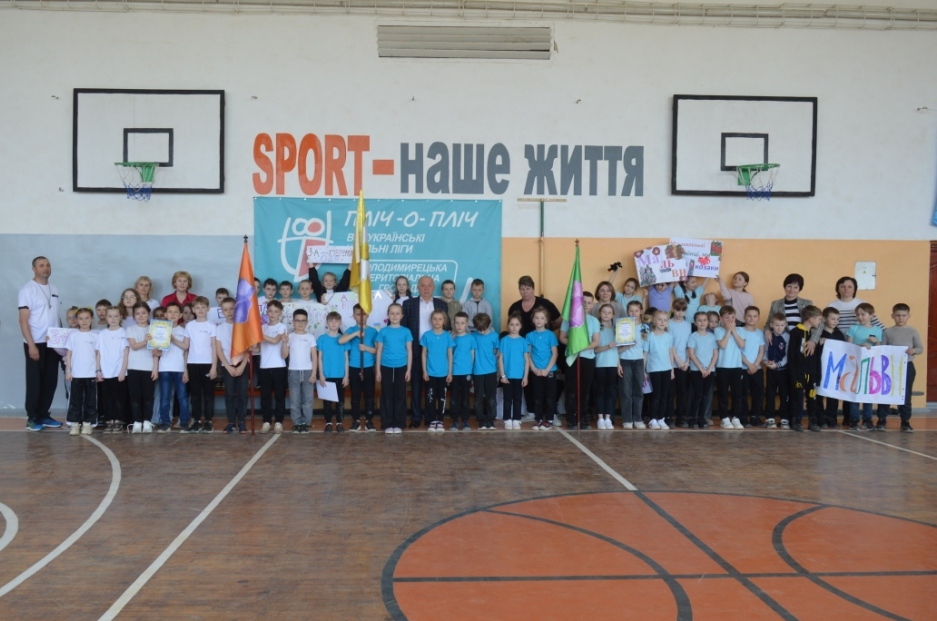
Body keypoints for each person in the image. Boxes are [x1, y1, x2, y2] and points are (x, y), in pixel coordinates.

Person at [18, 256, 64, 431]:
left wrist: (61, 339)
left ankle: (44, 414)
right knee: (35, 381)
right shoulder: (27, 290)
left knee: (50, 381)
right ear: (34, 269)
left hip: (53, 342)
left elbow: (56, 315)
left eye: (48, 265)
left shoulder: (54, 288)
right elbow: (23, 320)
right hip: (35, 342)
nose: (45, 268)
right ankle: (32, 417)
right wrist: (31, 345)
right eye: (41, 265)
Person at [402, 276, 449, 428]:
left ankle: (431, 417)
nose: (426, 288)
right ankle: (416, 417)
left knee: (432, 389)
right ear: (418, 287)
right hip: (416, 351)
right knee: (416, 386)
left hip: (437, 354)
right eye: (423, 285)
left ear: (434, 287)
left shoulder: (441, 304)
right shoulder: (408, 304)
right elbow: (404, 329)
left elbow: (447, 327)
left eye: (429, 285)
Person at [881, 303, 923, 433]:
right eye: (898, 315)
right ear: (892, 316)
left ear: (908, 316)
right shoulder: (887, 331)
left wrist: (913, 350)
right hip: (890, 366)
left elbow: (920, 348)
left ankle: (905, 421)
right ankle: (882, 419)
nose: (900, 318)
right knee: (886, 392)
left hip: (907, 365)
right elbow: (883, 348)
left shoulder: (912, 331)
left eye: (903, 315)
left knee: (905, 394)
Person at [561, 291, 600, 430]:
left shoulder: (594, 321)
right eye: (583, 302)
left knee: (585, 389)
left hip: (587, 358)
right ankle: (571, 418)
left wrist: (582, 347)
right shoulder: (568, 319)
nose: (586, 305)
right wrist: (574, 345)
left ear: (592, 305)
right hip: (572, 358)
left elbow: (596, 341)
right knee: (571, 388)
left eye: (589, 303)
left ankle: (583, 418)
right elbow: (562, 338)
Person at [845, 302, 884, 431]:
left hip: (871, 367)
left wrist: (876, 342)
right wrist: (860, 346)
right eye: (858, 315)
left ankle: (867, 419)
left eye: (863, 314)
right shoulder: (853, 329)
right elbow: (848, 347)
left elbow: (880, 350)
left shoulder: (877, 330)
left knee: (868, 393)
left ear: (871, 315)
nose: (860, 317)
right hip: (855, 366)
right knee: (854, 392)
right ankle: (854, 419)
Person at [339, 304, 377, 432]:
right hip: (354, 367)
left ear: (368, 315)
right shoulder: (351, 330)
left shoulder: (373, 331)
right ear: (353, 316)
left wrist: (366, 348)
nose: (361, 317)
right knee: (355, 396)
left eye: (364, 314)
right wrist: (356, 333)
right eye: (358, 314)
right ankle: (356, 420)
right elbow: (341, 340)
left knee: (369, 396)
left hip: (368, 367)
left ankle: (369, 420)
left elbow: (377, 350)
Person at [375, 303, 412, 434]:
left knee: (400, 395)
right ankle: (387, 423)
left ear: (402, 315)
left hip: (401, 367)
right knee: (387, 395)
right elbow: (379, 351)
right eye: (392, 313)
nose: (395, 316)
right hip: (386, 367)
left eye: (397, 313)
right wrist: (378, 370)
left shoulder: (406, 331)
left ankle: (399, 423)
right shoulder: (383, 331)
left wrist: (408, 370)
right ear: (388, 315)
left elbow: (409, 351)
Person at [215, 297, 249, 434]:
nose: (229, 312)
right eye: (226, 309)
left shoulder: (243, 326)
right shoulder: (219, 328)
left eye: (232, 309)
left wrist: (242, 366)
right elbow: (219, 350)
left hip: (242, 364)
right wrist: (228, 366)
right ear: (222, 311)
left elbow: (247, 348)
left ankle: (241, 421)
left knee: (242, 394)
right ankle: (231, 422)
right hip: (227, 365)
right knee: (229, 394)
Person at [185, 296, 217, 433]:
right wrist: (171, 338)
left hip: (207, 363)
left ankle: (208, 420)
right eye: (197, 307)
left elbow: (214, 347)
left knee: (208, 395)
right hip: (193, 364)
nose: (200, 310)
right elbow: (186, 347)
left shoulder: (212, 326)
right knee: (195, 395)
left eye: (203, 307)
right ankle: (197, 420)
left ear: (208, 309)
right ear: (193, 309)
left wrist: (214, 367)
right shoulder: (189, 325)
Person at [788, 305, 823, 432]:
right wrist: (793, 375)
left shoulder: (814, 336)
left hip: (812, 373)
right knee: (797, 398)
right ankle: (796, 421)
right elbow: (791, 355)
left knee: (812, 398)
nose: (820, 322)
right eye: (819, 319)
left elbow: (817, 357)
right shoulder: (795, 332)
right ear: (811, 319)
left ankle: (812, 421)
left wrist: (818, 374)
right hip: (798, 373)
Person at [158, 303, 191, 433]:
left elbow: (185, 349)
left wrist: (186, 370)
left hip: (180, 368)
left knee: (182, 397)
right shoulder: (160, 330)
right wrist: (155, 348)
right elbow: (157, 350)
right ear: (165, 314)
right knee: (165, 398)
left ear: (180, 315)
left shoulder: (184, 331)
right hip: (164, 368)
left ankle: (184, 423)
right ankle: (165, 423)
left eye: (176, 312)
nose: (173, 315)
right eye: (170, 312)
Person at [64, 307, 97, 436]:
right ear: (77, 320)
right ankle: (75, 423)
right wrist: (68, 371)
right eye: (81, 319)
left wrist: (98, 370)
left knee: (90, 400)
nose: (84, 321)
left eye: (87, 318)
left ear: (92, 319)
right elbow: (69, 354)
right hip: (76, 374)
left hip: (91, 373)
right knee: (75, 400)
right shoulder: (73, 335)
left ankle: (88, 424)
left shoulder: (96, 335)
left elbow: (98, 354)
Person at [125, 302, 157, 434]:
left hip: (149, 368)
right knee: (135, 397)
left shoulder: (154, 329)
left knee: (148, 397)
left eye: (144, 313)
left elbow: (156, 351)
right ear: (134, 316)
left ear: (149, 314)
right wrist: (146, 340)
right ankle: (137, 422)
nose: (141, 316)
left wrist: (155, 368)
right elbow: (133, 346)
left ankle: (147, 421)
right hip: (133, 367)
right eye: (137, 313)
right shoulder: (130, 329)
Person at [96, 306, 129, 433]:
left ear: (120, 317)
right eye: (110, 316)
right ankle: (109, 421)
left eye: (116, 316)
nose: (113, 319)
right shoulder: (102, 334)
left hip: (119, 371)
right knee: (107, 398)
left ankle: (119, 421)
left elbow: (126, 353)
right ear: (106, 317)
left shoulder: (124, 332)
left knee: (119, 398)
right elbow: (99, 353)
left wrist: (123, 371)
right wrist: (98, 370)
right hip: (105, 372)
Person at [617, 300, 649, 430]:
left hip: (639, 361)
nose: (634, 313)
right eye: (631, 310)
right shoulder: (622, 326)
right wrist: (618, 363)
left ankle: (638, 419)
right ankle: (627, 419)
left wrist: (644, 368)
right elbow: (617, 350)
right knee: (626, 391)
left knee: (638, 392)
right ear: (627, 311)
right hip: (625, 360)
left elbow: (645, 350)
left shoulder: (645, 327)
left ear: (641, 311)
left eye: (636, 310)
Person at [526, 307, 559, 430]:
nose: (539, 320)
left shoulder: (551, 335)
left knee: (550, 397)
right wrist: (534, 369)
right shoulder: (529, 336)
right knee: (537, 396)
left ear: (546, 320)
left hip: (549, 371)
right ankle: (538, 419)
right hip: (536, 371)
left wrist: (547, 370)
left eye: (542, 318)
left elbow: (555, 354)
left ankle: (549, 420)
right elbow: (528, 354)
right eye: (537, 318)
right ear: (533, 320)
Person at [421, 309, 454, 432]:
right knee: (430, 398)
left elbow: (450, 355)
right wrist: (424, 371)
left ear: (444, 321)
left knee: (442, 398)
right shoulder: (426, 335)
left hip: (444, 374)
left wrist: (450, 372)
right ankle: (432, 420)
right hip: (430, 373)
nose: (437, 321)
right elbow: (424, 354)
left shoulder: (447, 336)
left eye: (440, 319)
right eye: (434, 319)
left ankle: (440, 420)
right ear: (431, 320)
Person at [286, 308, 317, 434]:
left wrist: (314, 373)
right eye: (297, 320)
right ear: (293, 322)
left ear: (307, 322)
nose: (300, 323)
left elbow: (314, 356)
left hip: (308, 371)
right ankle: (297, 423)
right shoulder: (289, 337)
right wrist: (284, 343)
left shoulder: (310, 337)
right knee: (295, 400)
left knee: (307, 400)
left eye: (303, 321)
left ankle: (305, 423)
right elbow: (284, 354)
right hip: (293, 371)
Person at [259, 300, 289, 434]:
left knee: (279, 395)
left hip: (279, 366)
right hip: (264, 366)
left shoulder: (282, 327)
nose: (273, 314)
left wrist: (258, 334)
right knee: (265, 396)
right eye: (270, 311)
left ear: (280, 313)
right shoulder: (262, 327)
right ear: (267, 312)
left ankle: (278, 422)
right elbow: (257, 347)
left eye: (276, 311)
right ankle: (266, 421)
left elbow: (275, 340)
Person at [318, 311, 349, 432]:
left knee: (340, 401)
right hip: (327, 375)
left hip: (340, 375)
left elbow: (346, 358)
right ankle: (329, 423)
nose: (334, 323)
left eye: (336, 321)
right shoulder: (322, 339)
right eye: (331, 320)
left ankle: (340, 422)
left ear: (340, 323)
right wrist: (321, 374)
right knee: (327, 402)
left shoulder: (343, 339)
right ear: (327, 323)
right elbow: (320, 358)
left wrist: (346, 375)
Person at [715, 306, 745, 430]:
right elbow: (722, 345)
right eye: (727, 317)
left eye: (732, 317)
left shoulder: (740, 330)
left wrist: (734, 331)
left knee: (737, 394)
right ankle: (724, 418)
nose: (730, 320)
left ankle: (736, 417)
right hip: (722, 366)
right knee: (723, 393)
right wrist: (728, 331)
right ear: (721, 319)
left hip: (737, 366)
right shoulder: (718, 330)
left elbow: (742, 344)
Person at [645, 310, 677, 430]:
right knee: (656, 395)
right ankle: (653, 419)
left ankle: (661, 418)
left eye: (665, 320)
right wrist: (644, 370)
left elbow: (670, 353)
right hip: (654, 369)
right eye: (660, 319)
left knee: (665, 395)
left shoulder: (669, 337)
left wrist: (672, 369)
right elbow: (645, 354)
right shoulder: (650, 336)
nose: (662, 322)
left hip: (666, 368)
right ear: (654, 321)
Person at [687, 311, 718, 430]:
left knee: (705, 395)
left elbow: (715, 354)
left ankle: (702, 418)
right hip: (696, 370)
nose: (702, 322)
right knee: (698, 395)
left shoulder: (712, 337)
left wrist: (709, 368)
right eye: (699, 320)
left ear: (708, 322)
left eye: (705, 320)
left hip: (709, 370)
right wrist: (701, 368)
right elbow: (691, 354)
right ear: (695, 322)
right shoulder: (693, 336)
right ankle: (692, 418)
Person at [498, 313, 529, 430]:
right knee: (507, 399)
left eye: (517, 324)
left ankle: (516, 419)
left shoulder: (523, 341)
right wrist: (502, 375)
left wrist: (525, 377)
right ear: (508, 325)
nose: (514, 327)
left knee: (517, 399)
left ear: (520, 326)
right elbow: (500, 359)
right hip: (507, 376)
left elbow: (526, 360)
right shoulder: (504, 340)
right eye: (511, 324)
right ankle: (507, 419)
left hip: (519, 376)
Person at [817, 308, 846, 428]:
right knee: (818, 394)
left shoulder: (839, 334)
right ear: (824, 318)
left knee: (833, 395)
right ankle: (819, 418)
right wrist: (819, 343)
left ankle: (831, 417)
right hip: (820, 368)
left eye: (837, 319)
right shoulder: (818, 332)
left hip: (834, 369)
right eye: (833, 319)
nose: (835, 321)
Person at [593, 304, 620, 430]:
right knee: (600, 392)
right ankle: (600, 418)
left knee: (611, 392)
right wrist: (607, 347)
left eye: (609, 312)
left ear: (613, 315)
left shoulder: (616, 330)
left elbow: (618, 350)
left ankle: (608, 418)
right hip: (600, 364)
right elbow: (595, 349)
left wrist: (619, 364)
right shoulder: (597, 328)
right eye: (604, 312)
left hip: (613, 365)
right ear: (599, 313)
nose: (606, 314)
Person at [738, 306, 766, 427]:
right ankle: (743, 417)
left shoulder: (760, 333)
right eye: (749, 316)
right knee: (742, 394)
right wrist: (749, 365)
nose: (751, 318)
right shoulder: (739, 331)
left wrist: (755, 365)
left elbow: (761, 351)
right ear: (744, 317)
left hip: (757, 369)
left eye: (755, 316)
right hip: (742, 368)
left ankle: (755, 416)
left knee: (758, 394)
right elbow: (737, 351)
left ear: (758, 318)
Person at [471, 313, 498, 430]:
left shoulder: (494, 336)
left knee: (491, 397)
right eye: (479, 329)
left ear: (489, 325)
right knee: (478, 398)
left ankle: (490, 419)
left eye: (484, 329)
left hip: (491, 371)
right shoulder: (473, 336)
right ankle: (481, 420)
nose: (481, 332)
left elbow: (496, 351)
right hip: (477, 371)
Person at [762, 313, 790, 429]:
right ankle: (770, 418)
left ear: (785, 325)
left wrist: (778, 365)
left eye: (782, 325)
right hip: (771, 370)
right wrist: (766, 362)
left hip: (783, 371)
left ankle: (784, 419)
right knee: (770, 394)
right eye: (777, 325)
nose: (779, 328)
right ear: (771, 325)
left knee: (784, 395)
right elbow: (764, 351)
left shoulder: (787, 337)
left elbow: (788, 355)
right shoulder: (768, 336)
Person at [668, 298, 692, 427]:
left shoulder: (688, 325)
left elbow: (689, 345)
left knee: (682, 392)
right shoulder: (668, 323)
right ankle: (669, 416)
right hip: (671, 362)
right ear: (673, 309)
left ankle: (681, 417)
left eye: (683, 310)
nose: (680, 312)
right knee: (670, 392)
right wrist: (678, 361)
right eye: (678, 310)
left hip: (684, 363)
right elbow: (670, 345)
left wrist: (687, 361)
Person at [449, 312, 474, 430]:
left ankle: (465, 420)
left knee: (465, 398)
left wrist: (471, 371)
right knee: (454, 398)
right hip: (454, 372)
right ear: (454, 323)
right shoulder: (452, 338)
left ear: (467, 324)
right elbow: (449, 355)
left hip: (466, 372)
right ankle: (454, 421)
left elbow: (472, 355)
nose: (459, 326)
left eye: (462, 323)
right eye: (457, 323)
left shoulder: (471, 338)